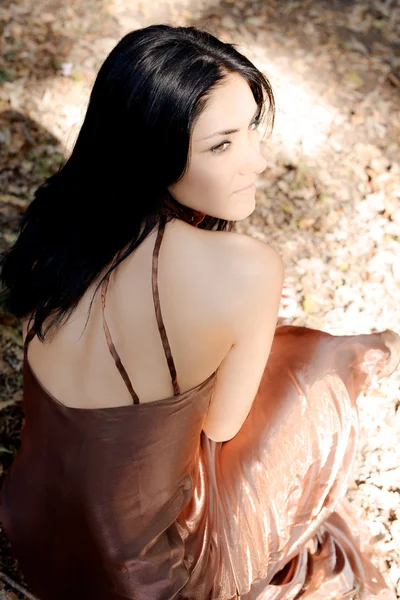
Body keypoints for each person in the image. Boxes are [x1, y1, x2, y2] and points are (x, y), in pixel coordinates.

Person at [0, 24, 399, 600]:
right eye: (222, 144)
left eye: (252, 133)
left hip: (36, 531)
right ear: (151, 151)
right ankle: (382, 347)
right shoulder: (246, 268)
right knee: (321, 361)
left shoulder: (61, 226)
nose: (257, 163)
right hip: (142, 577)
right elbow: (221, 427)